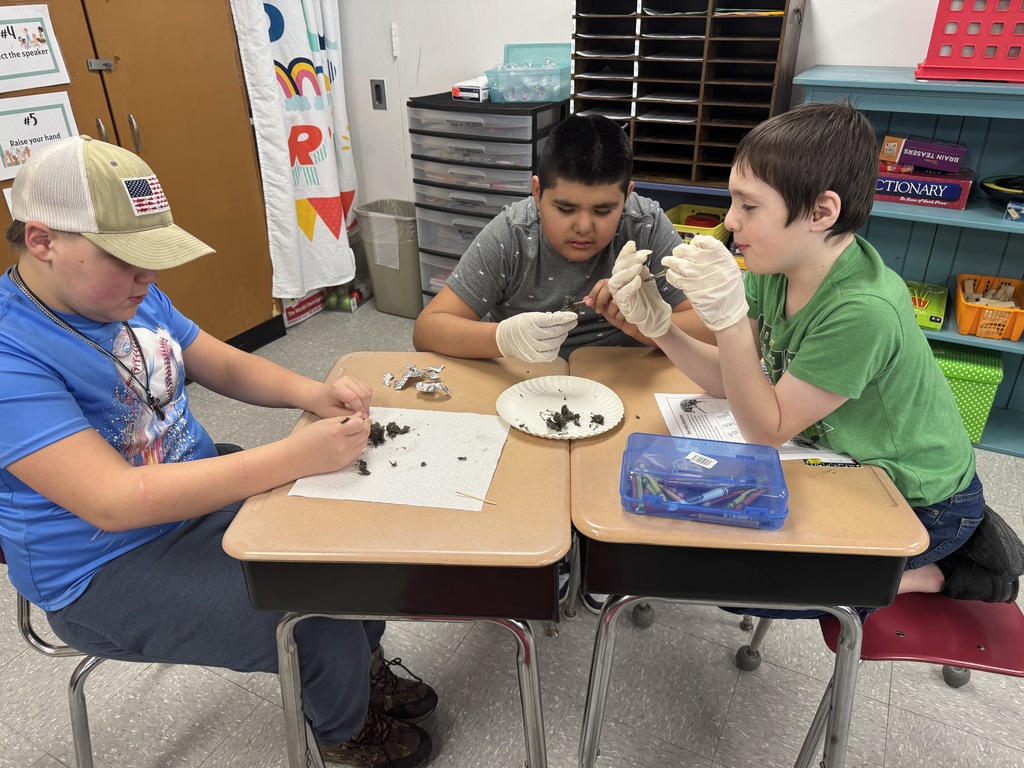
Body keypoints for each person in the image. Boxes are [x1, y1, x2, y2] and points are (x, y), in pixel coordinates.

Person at [0, 135, 437, 768]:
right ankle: (345, 731)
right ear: (42, 241)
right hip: (104, 567)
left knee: (350, 548)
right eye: (126, 258)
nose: (148, 278)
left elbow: (219, 363)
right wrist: (295, 457)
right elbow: (115, 503)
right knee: (312, 618)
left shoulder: (126, 293)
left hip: (195, 495)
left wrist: (314, 392)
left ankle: (357, 675)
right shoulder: (12, 354)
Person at [607, 100, 1022, 607]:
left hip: (921, 501)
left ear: (821, 212)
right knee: (725, 557)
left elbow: (765, 429)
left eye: (749, 205)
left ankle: (950, 572)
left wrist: (730, 321)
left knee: (750, 588)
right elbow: (733, 385)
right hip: (846, 460)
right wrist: (662, 328)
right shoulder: (773, 265)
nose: (730, 221)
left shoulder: (862, 309)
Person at [412, 112, 714, 365]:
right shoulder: (512, 235)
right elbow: (427, 329)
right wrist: (503, 338)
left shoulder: (644, 226)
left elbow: (711, 331)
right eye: (565, 208)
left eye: (604, 210)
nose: (583, 226)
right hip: (528, 381)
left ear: (627, 196)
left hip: (624, 379)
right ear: (537, 192)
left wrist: (649, 324)